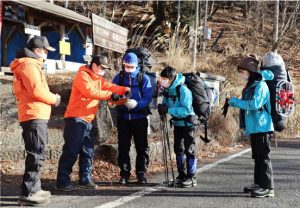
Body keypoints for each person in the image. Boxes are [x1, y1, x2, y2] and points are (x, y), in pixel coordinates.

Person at [56, 55, 130, 191]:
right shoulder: (82, 76)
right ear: (94, 65)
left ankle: (85, 179)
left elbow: (110, 86)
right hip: (75, 119)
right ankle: (62, 181)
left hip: (88, 120)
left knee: (88, 151)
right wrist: (109, 95)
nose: (103, 71)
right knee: (71, 151)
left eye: (105, 69)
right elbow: (89, 92)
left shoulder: (98, 79)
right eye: (102, 68)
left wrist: (123, 89)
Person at [10, 36, 60, 206]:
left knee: (37, 152)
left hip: (34, 114)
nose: (47, 54)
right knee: (36, 154)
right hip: (34, 115)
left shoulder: (29, 64)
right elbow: (36, 91)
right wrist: (54, 98)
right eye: (46, 51)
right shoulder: (29, 64)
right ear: (38, 50)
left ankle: (35, 188)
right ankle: (29, 193)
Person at [228, 55, 275, 198]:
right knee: (257, 157)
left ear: (250, 71)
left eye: (243, 72)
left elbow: (254, 104)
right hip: (255, 127)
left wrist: (235, 102)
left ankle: (268, 188)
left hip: (262, 126)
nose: (241, 75)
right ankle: (258, 183)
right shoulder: (252, 84)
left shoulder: (260, 85)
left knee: (263, 157)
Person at [112, 52, 152, 184]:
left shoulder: (143, 78)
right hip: (123, 117)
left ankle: (141, 173)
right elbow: (113, 93)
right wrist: (116, 100)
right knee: (123, 147)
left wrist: (137, 104)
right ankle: (124, 174)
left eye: (131, 66)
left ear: (136, 65)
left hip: (140, 117)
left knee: (142, 147)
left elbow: (148, 97)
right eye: (126, 66)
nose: (128, 68)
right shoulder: (119, 77)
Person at [157, 66, 198, 188]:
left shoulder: (183, 90)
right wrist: (162, 108)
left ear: (171, 78)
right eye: (162, 78)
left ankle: (192, 177)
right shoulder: (168, 90)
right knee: (178, 149)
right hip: (178, 124)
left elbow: (186, 110)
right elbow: (165, 104)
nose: (162, 80)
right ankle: (182, 175)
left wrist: (168, 109)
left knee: (189, 150)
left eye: (164, 78)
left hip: (188, 124)